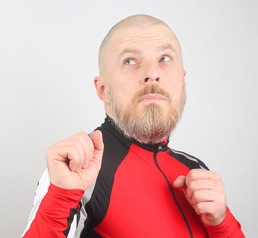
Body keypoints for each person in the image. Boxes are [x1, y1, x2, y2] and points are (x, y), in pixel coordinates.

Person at [21, 14, 245, 237]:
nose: (152, 73)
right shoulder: (77, 170)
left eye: (164, 58)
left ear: (182, 79)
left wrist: (222, 224)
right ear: (103, 89)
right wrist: (60, 196)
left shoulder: (195, 169)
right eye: (130, 61)